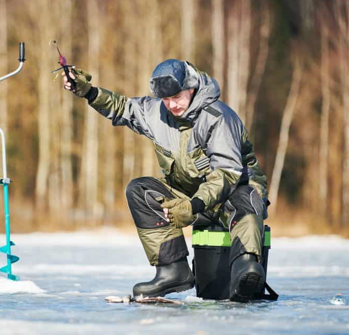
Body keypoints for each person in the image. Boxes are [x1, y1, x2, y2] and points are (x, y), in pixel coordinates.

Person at [63, 59, 269, 302]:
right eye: (166, 99)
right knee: (141, 191)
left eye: (177, 97)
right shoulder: (157, 113)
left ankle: (245, 267)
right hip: (189, 196)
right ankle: (172, 270)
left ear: (191, 87)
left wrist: (193, 206)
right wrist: (88, 92)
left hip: (231, 195)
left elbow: (227, 174)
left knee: (247, 196)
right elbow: (122, 108)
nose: (171, 105)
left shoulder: (218, 117)